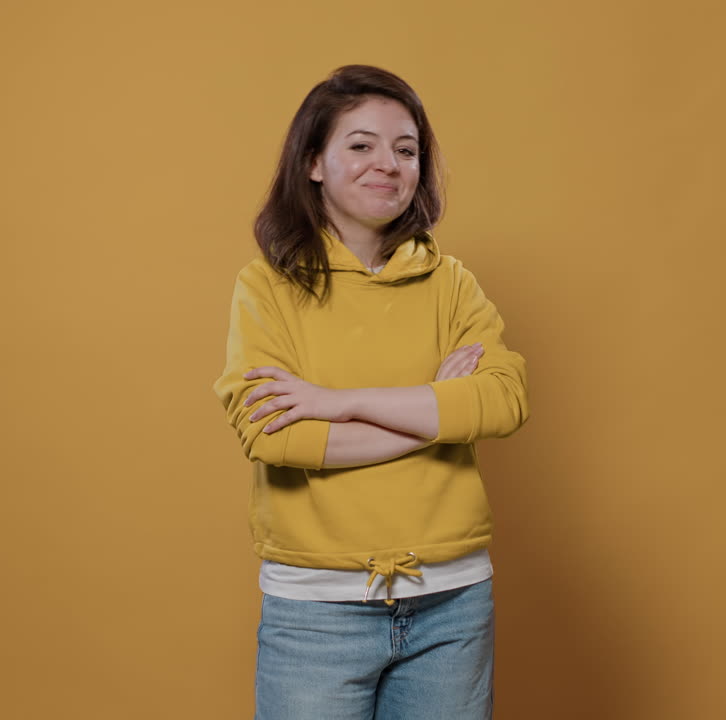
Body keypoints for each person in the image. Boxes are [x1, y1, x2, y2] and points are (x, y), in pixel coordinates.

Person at [213, 64, 530, 720]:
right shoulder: (265, 288)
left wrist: (339, 402)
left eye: (406, 149)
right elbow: (278, 437)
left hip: (453, 604)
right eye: (360, 145)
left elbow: (502, 403)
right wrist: (437, 409)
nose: (388, 163)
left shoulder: (453, 285)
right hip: (315, 614)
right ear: (313, 164)